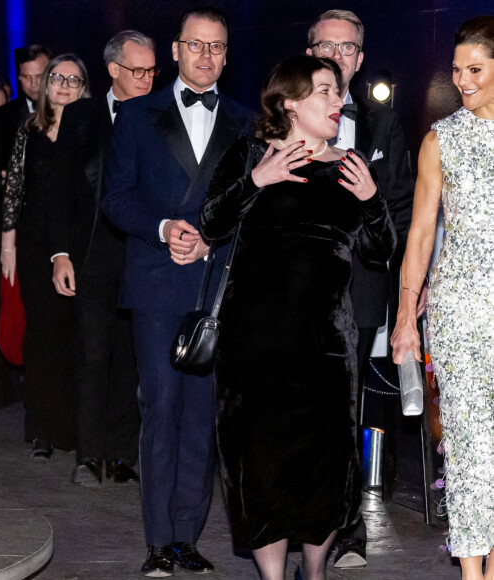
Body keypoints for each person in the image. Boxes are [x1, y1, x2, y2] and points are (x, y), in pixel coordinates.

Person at [200, 54, 396, 580]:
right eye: (326, 92)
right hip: (254, 346)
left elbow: (380, 251)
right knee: (260, 466)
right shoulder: (250, 153)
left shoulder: (351, 166)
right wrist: (258, 180)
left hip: (326, 345)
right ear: (291, 102)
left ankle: (314, 571)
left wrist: (372, 199)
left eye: (338, 93)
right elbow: (211, 221)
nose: (339, 101)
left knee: (324, 470)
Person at [104, 7, 251, 577]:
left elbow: (251, 202)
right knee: (160, 407)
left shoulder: (243, 120)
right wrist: (166, 229)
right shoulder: (138, 117)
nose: (207, 57)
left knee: (201, 417)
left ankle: (187, 537)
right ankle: (157, 541)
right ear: (175, 50)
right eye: (197, 45)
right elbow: (116, 198)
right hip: (157, 281)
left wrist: (212, 239)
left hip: (215, 284)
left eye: (217, 47)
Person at [306, 9, 414, 568]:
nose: (336, 55)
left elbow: (398, 205)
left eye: (347, 48)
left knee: (348, 410)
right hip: (298, 288)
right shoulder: (284, 117)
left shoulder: (383, 124)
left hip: (361, 287)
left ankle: (347, 529)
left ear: (360, 59)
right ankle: (303, 523)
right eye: (326, 45)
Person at [391, 15, 494, 580]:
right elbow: (422, 235)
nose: (462, 81)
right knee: (471, 447)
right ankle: (472, 575)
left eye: (474, 69)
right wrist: (407, 317)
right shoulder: (442, 139)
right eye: (457, 70)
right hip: (459, 313)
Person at [48, 30, 158, 486]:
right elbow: (60, 190)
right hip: (92, 254)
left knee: (132, 362)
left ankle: (121, 455)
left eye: (153, 70)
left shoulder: (162, 116)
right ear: (113, 70)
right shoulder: (80, 117)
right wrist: (60, 254)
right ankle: (89, 455)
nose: (148, 79)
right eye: (138, 70)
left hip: (144, 255)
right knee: (92, 356)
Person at [1, 54, 90, 460]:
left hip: (84, 243)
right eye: (58, 77)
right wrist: (8, 244)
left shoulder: (94, 130)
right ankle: (41, 428)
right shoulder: (29, 129)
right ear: (46, 83)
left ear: (85, 87)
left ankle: (72, 428)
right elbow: (14, 189)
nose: (65, 85)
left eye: (74, 79)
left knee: (77, 337)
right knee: (42, 337)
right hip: (37, 246)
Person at [0, 45, 52, 208]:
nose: (33, 84)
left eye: (39, 76)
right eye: (27, 76)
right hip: (15, 215)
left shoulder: (67, 112)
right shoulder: (2, 116)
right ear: (18, 77)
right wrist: (7, 187)